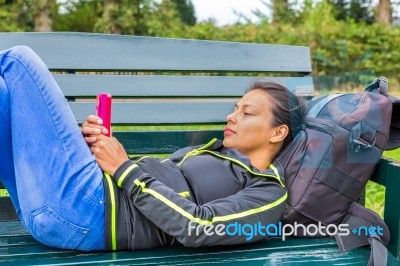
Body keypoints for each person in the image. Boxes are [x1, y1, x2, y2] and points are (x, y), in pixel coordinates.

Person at [0, 46, 305, 251]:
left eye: (247, 113)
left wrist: (123, 168)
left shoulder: (268, 192)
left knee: (17, 60)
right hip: (55, 205)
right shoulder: (216, 154)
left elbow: (200, 227)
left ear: (278, 132)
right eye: (235, 108)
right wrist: (89, 147)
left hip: (91, 213)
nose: (231, 116)